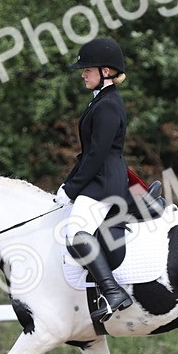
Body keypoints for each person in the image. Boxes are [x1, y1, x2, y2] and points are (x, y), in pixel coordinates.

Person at [55, 37, 134, 322]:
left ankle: (111, 291)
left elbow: (97, 154)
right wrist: (67, 184)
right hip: (99, 178)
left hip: (105, 182)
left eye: (88, 69)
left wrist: (73, 188)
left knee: (76, 232)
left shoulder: (108, 105)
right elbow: (87, 154)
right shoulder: (100, 101)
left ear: (106, 71)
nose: (83, 73)